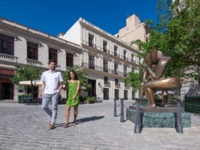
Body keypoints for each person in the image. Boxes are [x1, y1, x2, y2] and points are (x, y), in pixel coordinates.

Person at [41, 60, 63, 129]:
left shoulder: (58, 73)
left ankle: (52, 123)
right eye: (51, 64)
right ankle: (52, 116)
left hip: (55, 93)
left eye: (54, 64)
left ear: (55, 65)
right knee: (44, 106)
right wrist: (42, 92)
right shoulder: (45, 73)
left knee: (54, 108)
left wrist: (59, 91)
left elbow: (61, 84)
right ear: (49, 65)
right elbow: (43, 83)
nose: (52, 65)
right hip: (46, 92)